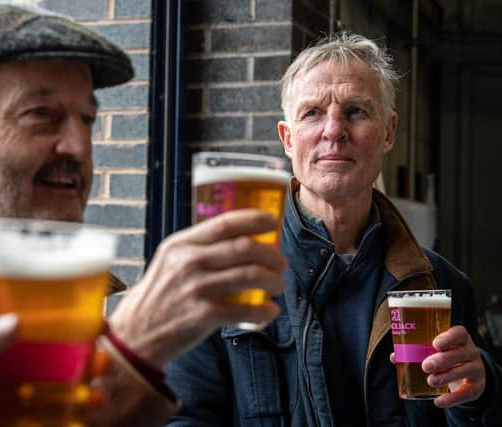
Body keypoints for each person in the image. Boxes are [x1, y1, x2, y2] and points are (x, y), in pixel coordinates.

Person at [0, 4, 287, 426]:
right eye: (40, 115)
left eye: (86, 119)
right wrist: (127, 352)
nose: (79, 147)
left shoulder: (54, 288)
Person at [165, 33, 502, 426]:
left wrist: (480, 393)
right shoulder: (222, 274)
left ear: (389, 132)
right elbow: (182, 418)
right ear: (287, 139)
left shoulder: (442, 284)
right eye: (312, 113)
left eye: (356, 111)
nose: (334, 130)